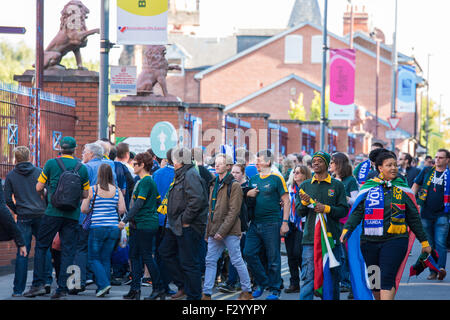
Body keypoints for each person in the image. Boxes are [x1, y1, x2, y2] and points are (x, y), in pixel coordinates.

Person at [341, 148, 431, 300]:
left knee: (387, 278)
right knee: (375, 282)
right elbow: (357, 211)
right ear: (380, 168)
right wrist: (346, 231)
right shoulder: (368, 187)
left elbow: (413, 217)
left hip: (395, 241)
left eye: (395, 165)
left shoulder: (402, 188)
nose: (394, 168)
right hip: (369, 243)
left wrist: (424, 241)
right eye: (389, 165)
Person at [24, 136, 90, 299]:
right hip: (72, 215)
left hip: (52, 212)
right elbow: (85, 194)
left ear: (60, 147)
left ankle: (38, 284)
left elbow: (38, 186)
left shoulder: (51, 164)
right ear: (74, 150)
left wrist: (45, 196)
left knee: (41, 246)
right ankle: (62, 289)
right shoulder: (81, 168)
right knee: (68, 251)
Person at [296, 151, 349, 300]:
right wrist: (306, 204)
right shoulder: (305, 185)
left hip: (331, 239)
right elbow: (300, 212)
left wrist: (326, 208)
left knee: (332, 277)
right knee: (308, 277)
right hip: (310, 239)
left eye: (320, 161)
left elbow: (343, 210)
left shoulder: (337, 185)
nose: (316, 163)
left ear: (326, 164)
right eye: (314, 161)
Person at [159, 147, 209, 300]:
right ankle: (183, 286)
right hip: (175, 224)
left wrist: (185, 220)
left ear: (180, 161)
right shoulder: (182, 174)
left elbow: (197, 200)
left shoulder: (190, 175)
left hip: (187, 226)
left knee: (189, 262)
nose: (171, 161)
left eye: (174, 159)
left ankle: (193, 295)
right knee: (164, 252)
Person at [201, 154, 253, 300]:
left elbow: (234, 211)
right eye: (215, 163)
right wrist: (208, 231)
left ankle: (247, 291)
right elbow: (211, 210)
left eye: (220, 163)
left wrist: (221, 232)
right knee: (210, 261)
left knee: (236, 260)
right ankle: (207, 293)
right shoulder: (213, 183)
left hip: (229, 231)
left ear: (228, 166)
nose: (216, 166)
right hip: (214, 230)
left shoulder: (234, 185)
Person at [4, 146, 53, 297]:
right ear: (29, 157)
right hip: (41, 214)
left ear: (15, 158)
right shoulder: (39, 171)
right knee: (43, 248)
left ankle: (18, 289)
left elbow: (7, 198)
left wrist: (17, 209)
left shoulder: (11, 175)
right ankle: (46, 281)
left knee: (22, 251)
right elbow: (48, 192)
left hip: (24, 216)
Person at [243, 149, 290, 300]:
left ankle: (275, 289)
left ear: (268, 162)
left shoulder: (277, 178)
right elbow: (248, 202)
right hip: (255, 224)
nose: (256, 163)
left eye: (260, 160)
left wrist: (285, 223)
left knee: (273, 258)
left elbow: (286, 201)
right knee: (248, 253)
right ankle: (263, 283)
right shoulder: (253, 178)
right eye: (256, 160)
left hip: (272, 223)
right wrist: (247, 194)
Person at [119, 152, 165, 300]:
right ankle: (135, 290)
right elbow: (158, 201)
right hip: (141, 224)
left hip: (144, 225)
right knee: (135, 256)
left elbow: (139, 203)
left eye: (135, 164)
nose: (133, 165)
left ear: (142, 165)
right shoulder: (148, 181)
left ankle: (158, 288)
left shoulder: (145, 181)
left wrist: (124, 220)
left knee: (145, 256)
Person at [81, 164, 126, 297]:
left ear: (99, 175)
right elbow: (122, 210)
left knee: (93, 258)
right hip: (113, 228)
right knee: (105, 258)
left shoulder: (92, 189)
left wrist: (91, 210)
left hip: (97, 228)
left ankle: (104, 284)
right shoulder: (117, 190)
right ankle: (103, 287)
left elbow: (83, 209)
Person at [412, 148, 450, 281]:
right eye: (436, 157)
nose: (437, 159)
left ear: (447, 160)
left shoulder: (449, 174)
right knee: (429, 244)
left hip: (443, 214)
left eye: (440, 157)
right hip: (426, 213)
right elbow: (416, 185)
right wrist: (412, 201)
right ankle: (433, 271)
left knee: (441, 243)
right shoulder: (427, 171)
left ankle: (440, 269)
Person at [217, 163, 251, 293]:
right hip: (231, 225)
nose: (234, 175)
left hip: (243, 226)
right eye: (233, 172)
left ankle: (237, 283)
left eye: (237, 172)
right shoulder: (231, 186)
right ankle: (233, 282)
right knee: (234, 256)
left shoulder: (248, 187)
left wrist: (243, 228)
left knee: (238, 257)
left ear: (243, 173)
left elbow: (245, 210)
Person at [329, 152, 359, 297]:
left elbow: (356, 201)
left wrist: (344, 197)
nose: (330, 165)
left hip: (347, 221)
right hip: (334, 220)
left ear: (339, 164)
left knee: (348, 254)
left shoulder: (350, 181)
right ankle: (343, 281)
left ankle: (350, 284)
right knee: (338, 254)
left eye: (332, 162)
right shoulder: (332, 179)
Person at [284, 165, 311, 294]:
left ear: (305, 175)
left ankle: (307, 281)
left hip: (304, 224)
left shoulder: (308, 188)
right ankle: (294, 283)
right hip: (291, 223)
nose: (295, 174)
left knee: (298, 253)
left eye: (299, 172)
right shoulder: (290, 188)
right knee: (290, 255)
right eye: (294, 172)